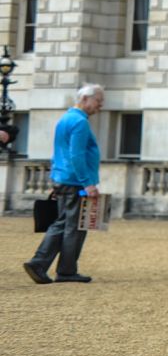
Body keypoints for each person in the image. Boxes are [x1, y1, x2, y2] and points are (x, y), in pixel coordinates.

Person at [23, 85, 105, 285]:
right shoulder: (79, 122)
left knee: (65, 223)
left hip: (64, 178)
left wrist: (57, 178)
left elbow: (59, 152)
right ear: (85, 99)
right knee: (74, 226)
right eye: (98, 101)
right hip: (75, 180)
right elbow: (75, 154)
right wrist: (88, 183)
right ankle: (53, 266)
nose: (100, 105)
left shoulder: (66, 119)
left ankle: (52, 266)